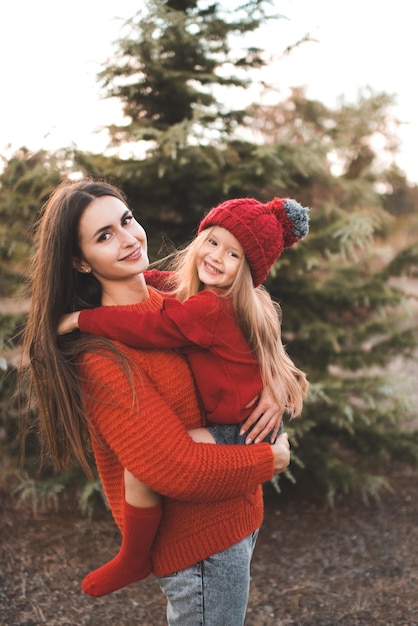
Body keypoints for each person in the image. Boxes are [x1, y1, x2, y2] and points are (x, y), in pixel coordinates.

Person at [22, 178, 293, 626]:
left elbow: (248, 308)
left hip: (238, 519)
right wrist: (270, 460)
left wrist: (271, 385)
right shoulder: (101, 355)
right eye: (104, 236)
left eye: (126, 220)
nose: (128, 239)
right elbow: (173, 467)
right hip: (200, 547)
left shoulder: (175, 299)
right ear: (79, 261)